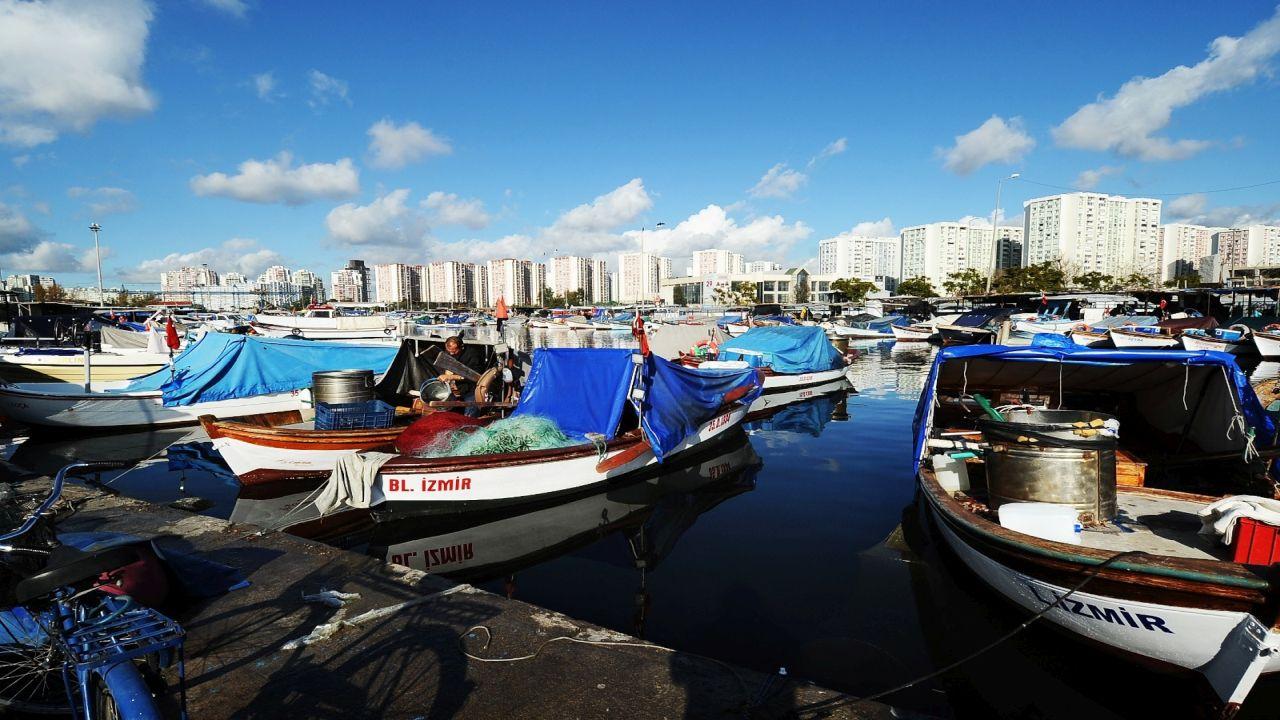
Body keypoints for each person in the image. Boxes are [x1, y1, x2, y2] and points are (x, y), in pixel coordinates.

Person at [436, 335, 488, 406]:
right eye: (449, 351)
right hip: (453, 388)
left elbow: (476, 376)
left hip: (471, 388)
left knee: (470, 410)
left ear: (462, 347)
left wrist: (451, 377)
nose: (451, 354)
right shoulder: (448, 352)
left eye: (454, 352)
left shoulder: (472, 355)